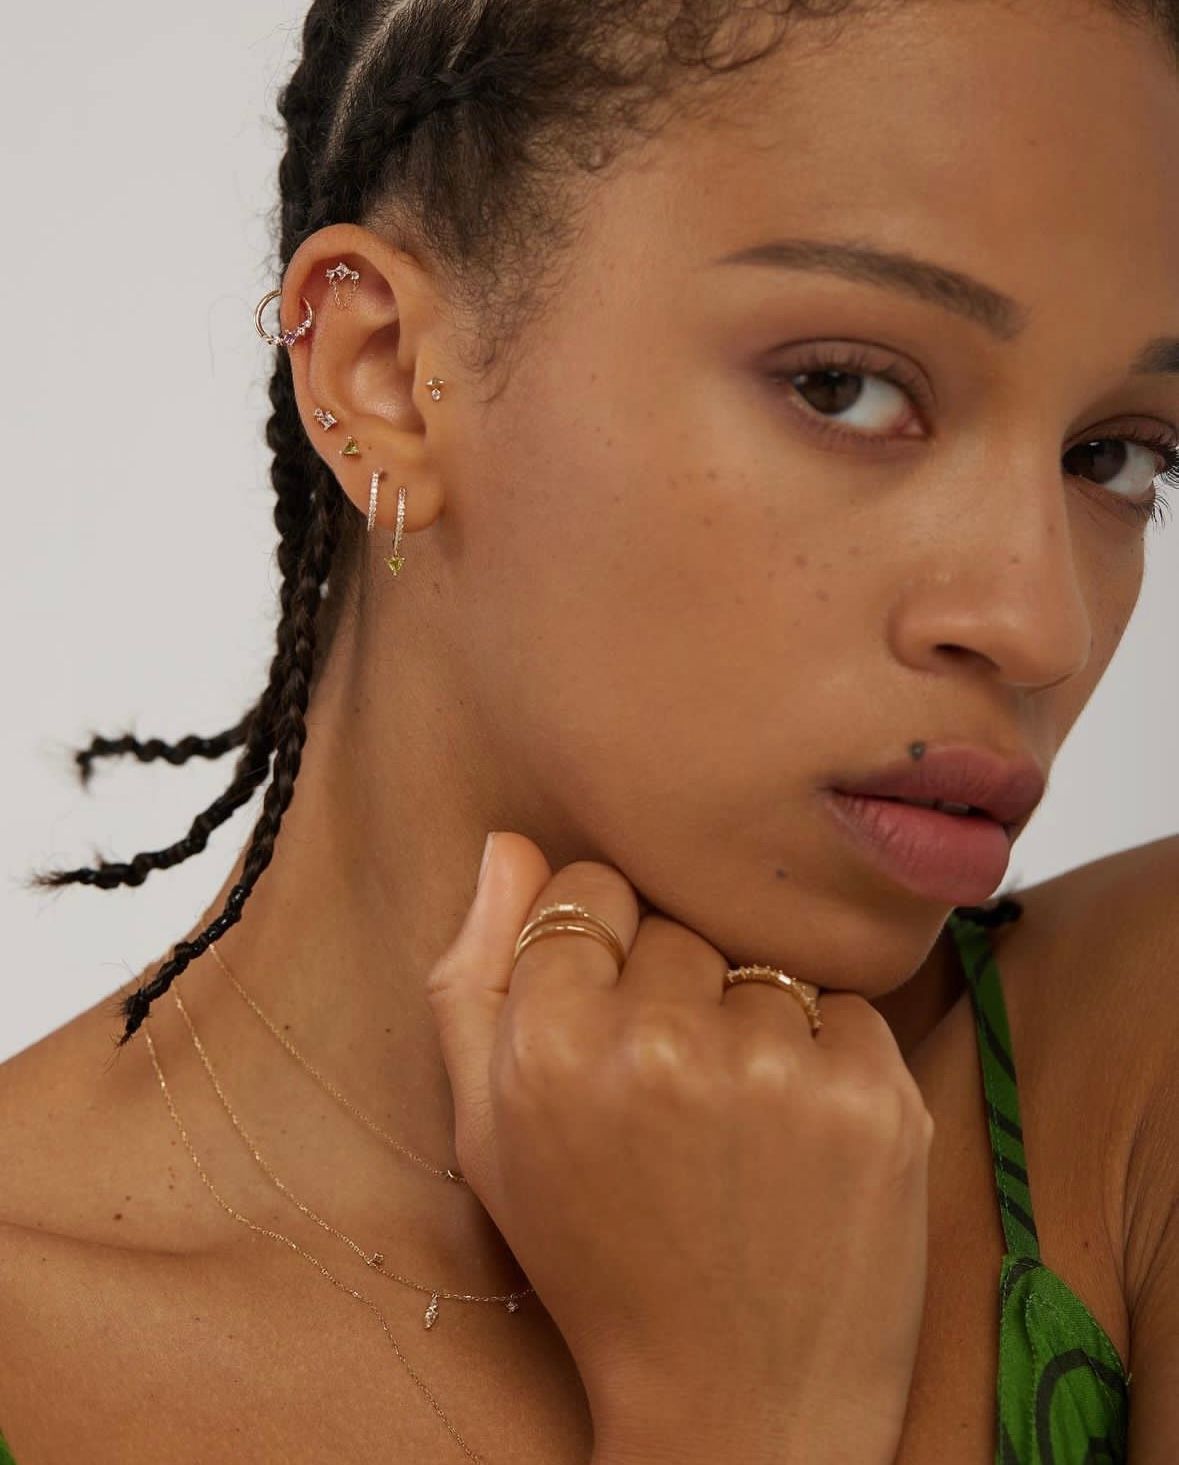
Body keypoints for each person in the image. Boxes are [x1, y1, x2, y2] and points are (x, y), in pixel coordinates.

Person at [1, 0, 1177, 1459]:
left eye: (1117, 457)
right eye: (846, 386)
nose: (1039, 622)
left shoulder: (1140, 1099)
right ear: (382, 375)